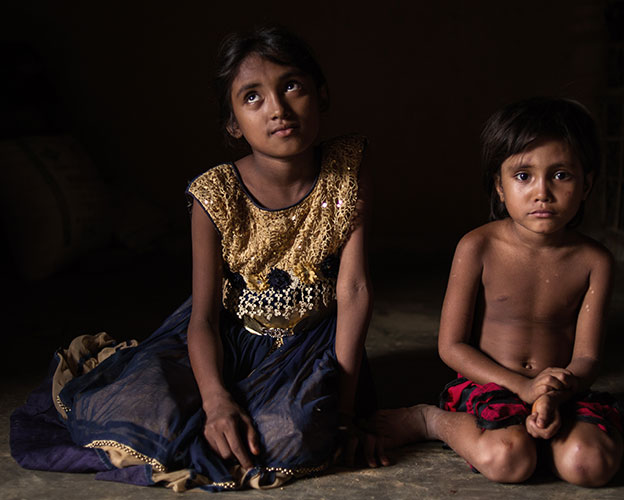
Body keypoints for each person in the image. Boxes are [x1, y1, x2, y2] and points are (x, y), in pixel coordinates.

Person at [10, 25, 387, 492]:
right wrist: (215, 401)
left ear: (321, 94)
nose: (278, 108)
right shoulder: (214, 193)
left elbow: (353, 289)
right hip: (229, 334)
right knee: (148, 409)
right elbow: (204, 317)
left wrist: (347, 413)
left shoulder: (349, 169)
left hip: (313, 343)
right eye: (252, 97)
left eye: (292, 86)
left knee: (294, 432)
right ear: (232, 122)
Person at [375, 97, 624, 487]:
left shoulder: (595, 261)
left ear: (587, 183)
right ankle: (432, 420)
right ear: (499, 185)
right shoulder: (478, 247)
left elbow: (588, 357)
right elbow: (452, 347)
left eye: (561, 175)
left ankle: (610, 426)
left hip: (561, 389)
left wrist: (551, 394)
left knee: (588, 465)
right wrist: (523, 387)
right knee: (509, 460)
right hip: (488, 387)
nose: (542, 192)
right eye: (523, 176)